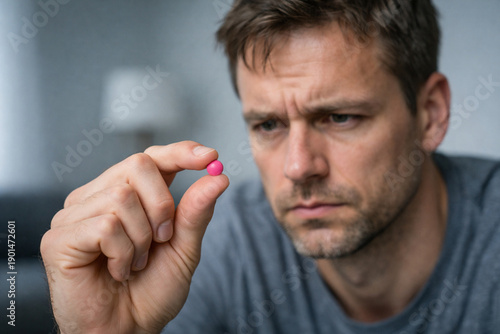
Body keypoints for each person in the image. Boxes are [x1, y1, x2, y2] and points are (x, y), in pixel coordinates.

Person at [41, 0, 500, 333]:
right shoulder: (226, 240)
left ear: (431, 114)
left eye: (340, 117)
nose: (299, 167)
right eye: (268, 125)